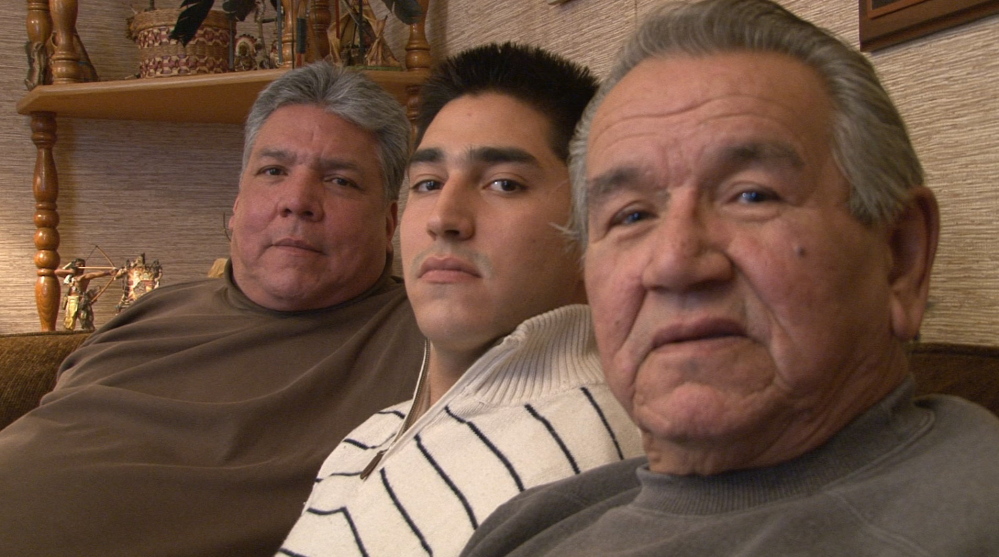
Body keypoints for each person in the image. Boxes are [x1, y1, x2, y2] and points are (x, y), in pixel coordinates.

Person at [460, 1, 999, 555]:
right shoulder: (530, 523)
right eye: (632, 215)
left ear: (901, 257)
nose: (674, 262)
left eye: (751, 196)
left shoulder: (968, 520)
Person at [0, 62, 425, 557]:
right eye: (273, 171)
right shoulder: (153, 310)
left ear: (391, 220)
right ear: (239, 201)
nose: (297, 200)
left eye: (340, 181)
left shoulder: (428, 335)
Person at [277, 43, 643, 557]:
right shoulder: (363, 439)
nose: (443, 217)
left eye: (503, 184)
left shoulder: (592, 461)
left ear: (592, 226)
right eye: (428, 183)